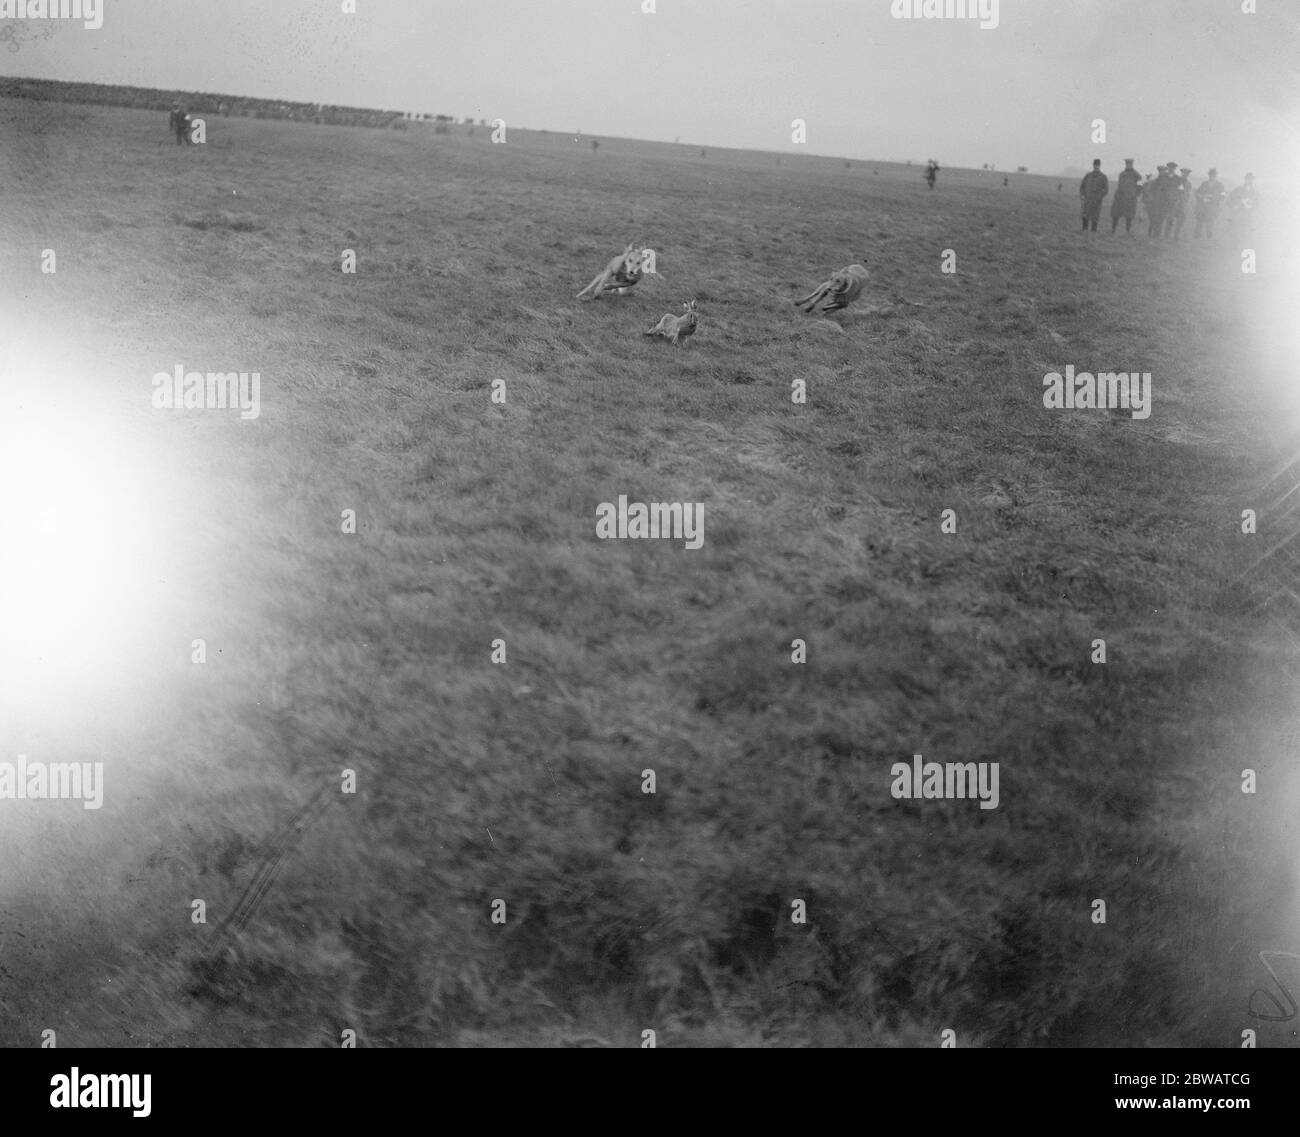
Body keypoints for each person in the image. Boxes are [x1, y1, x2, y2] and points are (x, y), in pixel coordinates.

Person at [1110, 158, 1141, 233]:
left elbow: (1140, 186)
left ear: (1132, 165)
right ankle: (1113, 229)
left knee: (1129, 216)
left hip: (1130, 198)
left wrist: (1135, 195)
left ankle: (1127, 231)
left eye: (1130, 164)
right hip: (1121, 197)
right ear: (1126, 165)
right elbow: (1119, 185)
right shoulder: (1122, 174)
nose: (1128, 166)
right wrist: (1117, 195)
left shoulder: (1136, 174)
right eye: (1127, 164)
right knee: (1116, 214)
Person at [1193, 168, 1225, 239]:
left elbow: (1223, 195)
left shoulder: (1220, 185)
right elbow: (1197, 193)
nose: (1212, 176)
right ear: (1209, 175)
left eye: (1214, 175)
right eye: (1210, 175)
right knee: (1199, 222)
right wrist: (1202, 198)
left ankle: (1209, 238)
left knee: (1210, 223)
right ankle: (1197, 237)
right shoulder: (1204, 183)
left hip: (1213, 208)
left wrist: (1214, 198)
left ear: (1216, 176)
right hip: (1202, 207)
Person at [1227, 173, 1258, 241]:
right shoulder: (1238, 189)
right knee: (1234, 229)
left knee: (1249, 231)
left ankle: (1246, 242)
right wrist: (1233, 206)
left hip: (1248, 214)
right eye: (1247, 179)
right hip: (1237, 213)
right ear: (1245, 180)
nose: (1249, 181)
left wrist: (1251, 205)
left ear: (1252, 180)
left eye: (1250, 179)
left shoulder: (1255, 193)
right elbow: (1229, 199)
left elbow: (1257, 204)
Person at [1079, 158, 1108, 232]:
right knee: (1085, 215)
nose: (1096, 167)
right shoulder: (1088, 175)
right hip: (1087, 199)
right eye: (1095, 165)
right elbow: (1082, 186)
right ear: (1093, 165)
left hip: (1096, 201)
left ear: (1100, 166)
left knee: (1095, 217)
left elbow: (1105, 189)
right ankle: (1084, 230)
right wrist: (1082, 195)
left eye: (1097, 165)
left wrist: (1099, 197)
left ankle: (1093, 231)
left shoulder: (1103, 177)